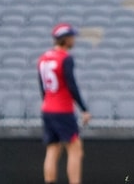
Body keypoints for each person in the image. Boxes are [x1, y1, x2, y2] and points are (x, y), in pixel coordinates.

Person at [37, 23, 92, 184]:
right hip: (62, 110)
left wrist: (48, 103)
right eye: (71, 37)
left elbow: (42, 88)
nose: (73, 40)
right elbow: (71, 85)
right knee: (75, 149)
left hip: (47, 108)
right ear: (65, 39)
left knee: (52, 149)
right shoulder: (65, 58)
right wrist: (84, 109)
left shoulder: (43, 58)